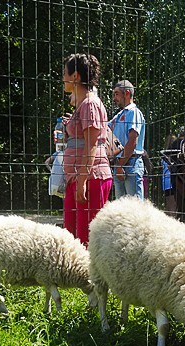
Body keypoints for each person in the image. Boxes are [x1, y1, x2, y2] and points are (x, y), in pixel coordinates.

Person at [62, 53, 112, 245]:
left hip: (91, 179)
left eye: (65, 73)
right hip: (79, 177)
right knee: (72, 236)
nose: (63, 78)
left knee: (85, 239)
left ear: (76, 76)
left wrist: (82, 180)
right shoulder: (83, 104)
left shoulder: (90, 104)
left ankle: (88, 275)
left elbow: (91, 144)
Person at [108, 80, 146, 199]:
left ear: (127, 93)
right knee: (122, 211)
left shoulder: (133, 112)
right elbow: (103, 128)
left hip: (131, 164)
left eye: (117, 94)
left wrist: (120, 165)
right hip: (119, 165)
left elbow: (132, 141)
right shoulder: (118, 116)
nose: (114, 98)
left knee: (135, 211)